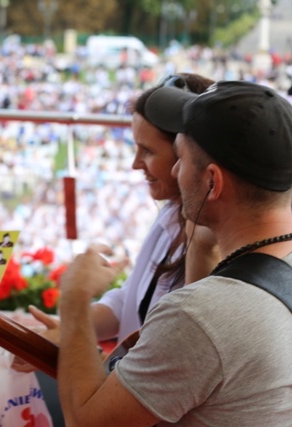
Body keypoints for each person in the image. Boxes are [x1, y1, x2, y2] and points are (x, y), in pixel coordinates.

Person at [57, 81, 292, 425]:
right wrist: (199, 247)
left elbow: (86, 422)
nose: (176, 172)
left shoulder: (198, 316)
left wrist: (74, 300)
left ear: (212, 181)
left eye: (180, 158)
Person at [14, 74, 219, 363]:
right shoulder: (173, 215)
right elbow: (131, 301)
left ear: (185, 155)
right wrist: (67, 330)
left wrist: (75, 310)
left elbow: (178, 361)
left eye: (147, 151)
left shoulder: (212, 244)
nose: (135, 164)